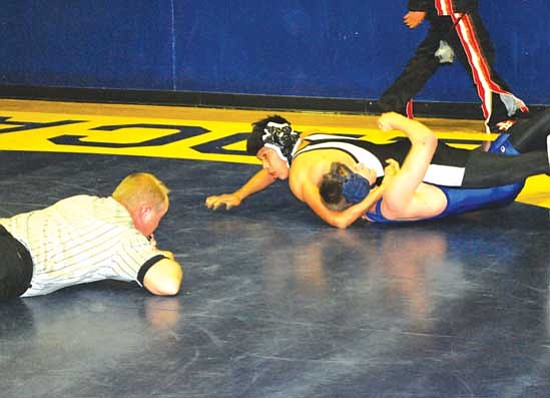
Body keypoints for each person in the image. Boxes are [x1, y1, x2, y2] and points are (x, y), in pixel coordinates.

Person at [205, 110, 550, 228]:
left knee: (511, 166)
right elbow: (272, 169)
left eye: (263, 158)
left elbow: (337, 220)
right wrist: (239, 194)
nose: (265, 169)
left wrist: (379, 187)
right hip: (411, 160)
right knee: (507, 154)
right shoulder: (308, 141)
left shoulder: (299, 176)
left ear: (270, 150)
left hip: (424, 169)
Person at [320, 112, 550, 225]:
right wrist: (396, 120)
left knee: (538, 126)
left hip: (487, 177)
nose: (359, 163)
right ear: (359, 186)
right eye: (355, 168)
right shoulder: (393, 196)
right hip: (495, 181)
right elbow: (425, 141)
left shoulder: (375, 207)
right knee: (543, 149)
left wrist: (382, 184)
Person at [0, 173, 183, 298]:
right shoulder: (123, 237)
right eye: (159, 218)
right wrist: (161, 257)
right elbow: (167, 284)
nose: (155, 228)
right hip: (11, 259)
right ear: (145, 211)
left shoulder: (83, 201)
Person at [378, 0, 527, 134]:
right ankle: (499, 118)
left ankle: (393, 104)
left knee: (430, 57)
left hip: (450, 9)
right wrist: (418, 6)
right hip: (453, 8)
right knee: (479, 61)